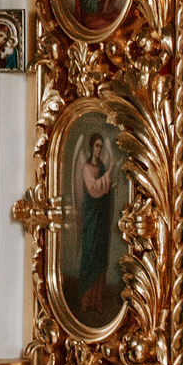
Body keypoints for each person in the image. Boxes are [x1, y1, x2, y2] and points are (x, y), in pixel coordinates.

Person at [74, 129, 120, 320]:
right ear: (92, 146)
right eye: (97, 146)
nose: (99, 149)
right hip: (91, 218)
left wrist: (110, 185)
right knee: (90, 256)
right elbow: (93, 189)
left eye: (101, 146)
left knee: (100, 256)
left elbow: (104, 189)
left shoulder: (101, 166)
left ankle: (98, 301)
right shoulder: (85, 167)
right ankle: (86, 300)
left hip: (101, 218)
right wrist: (109, 173)